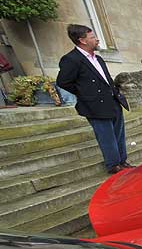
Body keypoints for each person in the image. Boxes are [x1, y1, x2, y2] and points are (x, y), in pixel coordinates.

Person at [56, 24, 131, 174]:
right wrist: (87, 95)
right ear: (82, 40)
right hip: (94, 105)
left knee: (119, 134)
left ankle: (122, 162)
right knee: (106, 137)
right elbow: (63, 82)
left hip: (113, 101)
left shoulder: (99, 59)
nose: (97, 40)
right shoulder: (71, 59)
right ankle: (114, 166)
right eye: (92, 37)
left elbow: (106, 79)